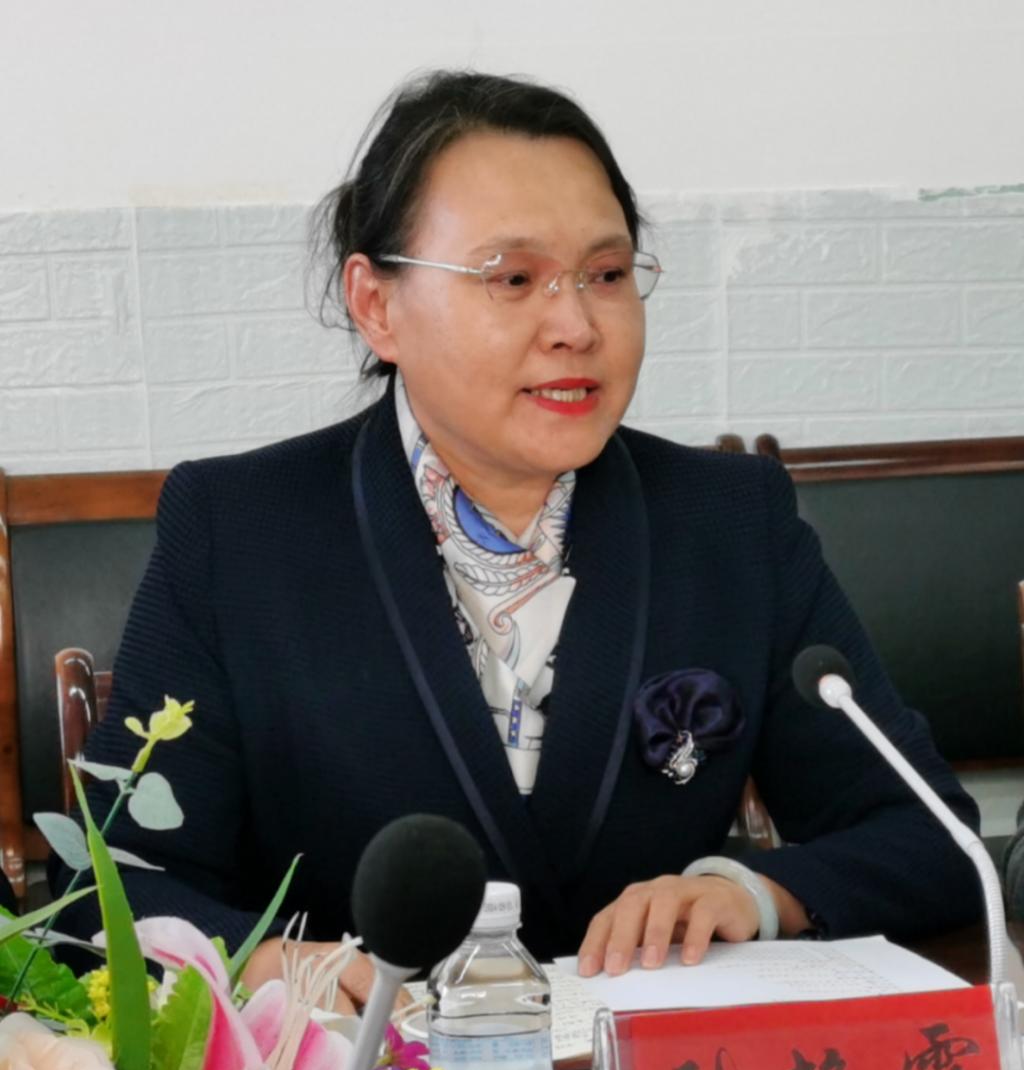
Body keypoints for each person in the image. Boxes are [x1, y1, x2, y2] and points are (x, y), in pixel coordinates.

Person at [54, 70, 981, 1010]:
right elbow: (104, 896)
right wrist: (278, 970)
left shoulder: (730, 520)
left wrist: (753, 892)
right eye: (513, 279)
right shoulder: (240, 530)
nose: (575, 325)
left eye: (607, 276)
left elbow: (931, 837)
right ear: (377, 305)